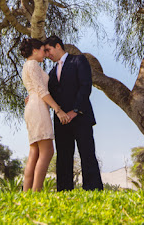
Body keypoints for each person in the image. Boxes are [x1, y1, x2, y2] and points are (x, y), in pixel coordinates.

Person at [44, 35, 104, 191]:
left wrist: (75, 111)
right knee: (63, 157)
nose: (47, 54)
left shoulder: (78, 60)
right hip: (61, 120)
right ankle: (63, 191)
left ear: (58, 46)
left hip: (81, 116)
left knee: (87, 154)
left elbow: (85, 86)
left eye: (48, 50)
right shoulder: (51, 72)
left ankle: (93, 190)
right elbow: (47, 92)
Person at [20, 37, 70, 192]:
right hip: (38, 108)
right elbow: (41, 90)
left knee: (34, 152)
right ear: (35, 50)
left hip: (32, 107)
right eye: (43, 50)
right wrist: (58, 109)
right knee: (47, 151)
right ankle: (36, 191)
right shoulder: (33, 64)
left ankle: (27, 193)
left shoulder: (26, 66)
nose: (45, 54)